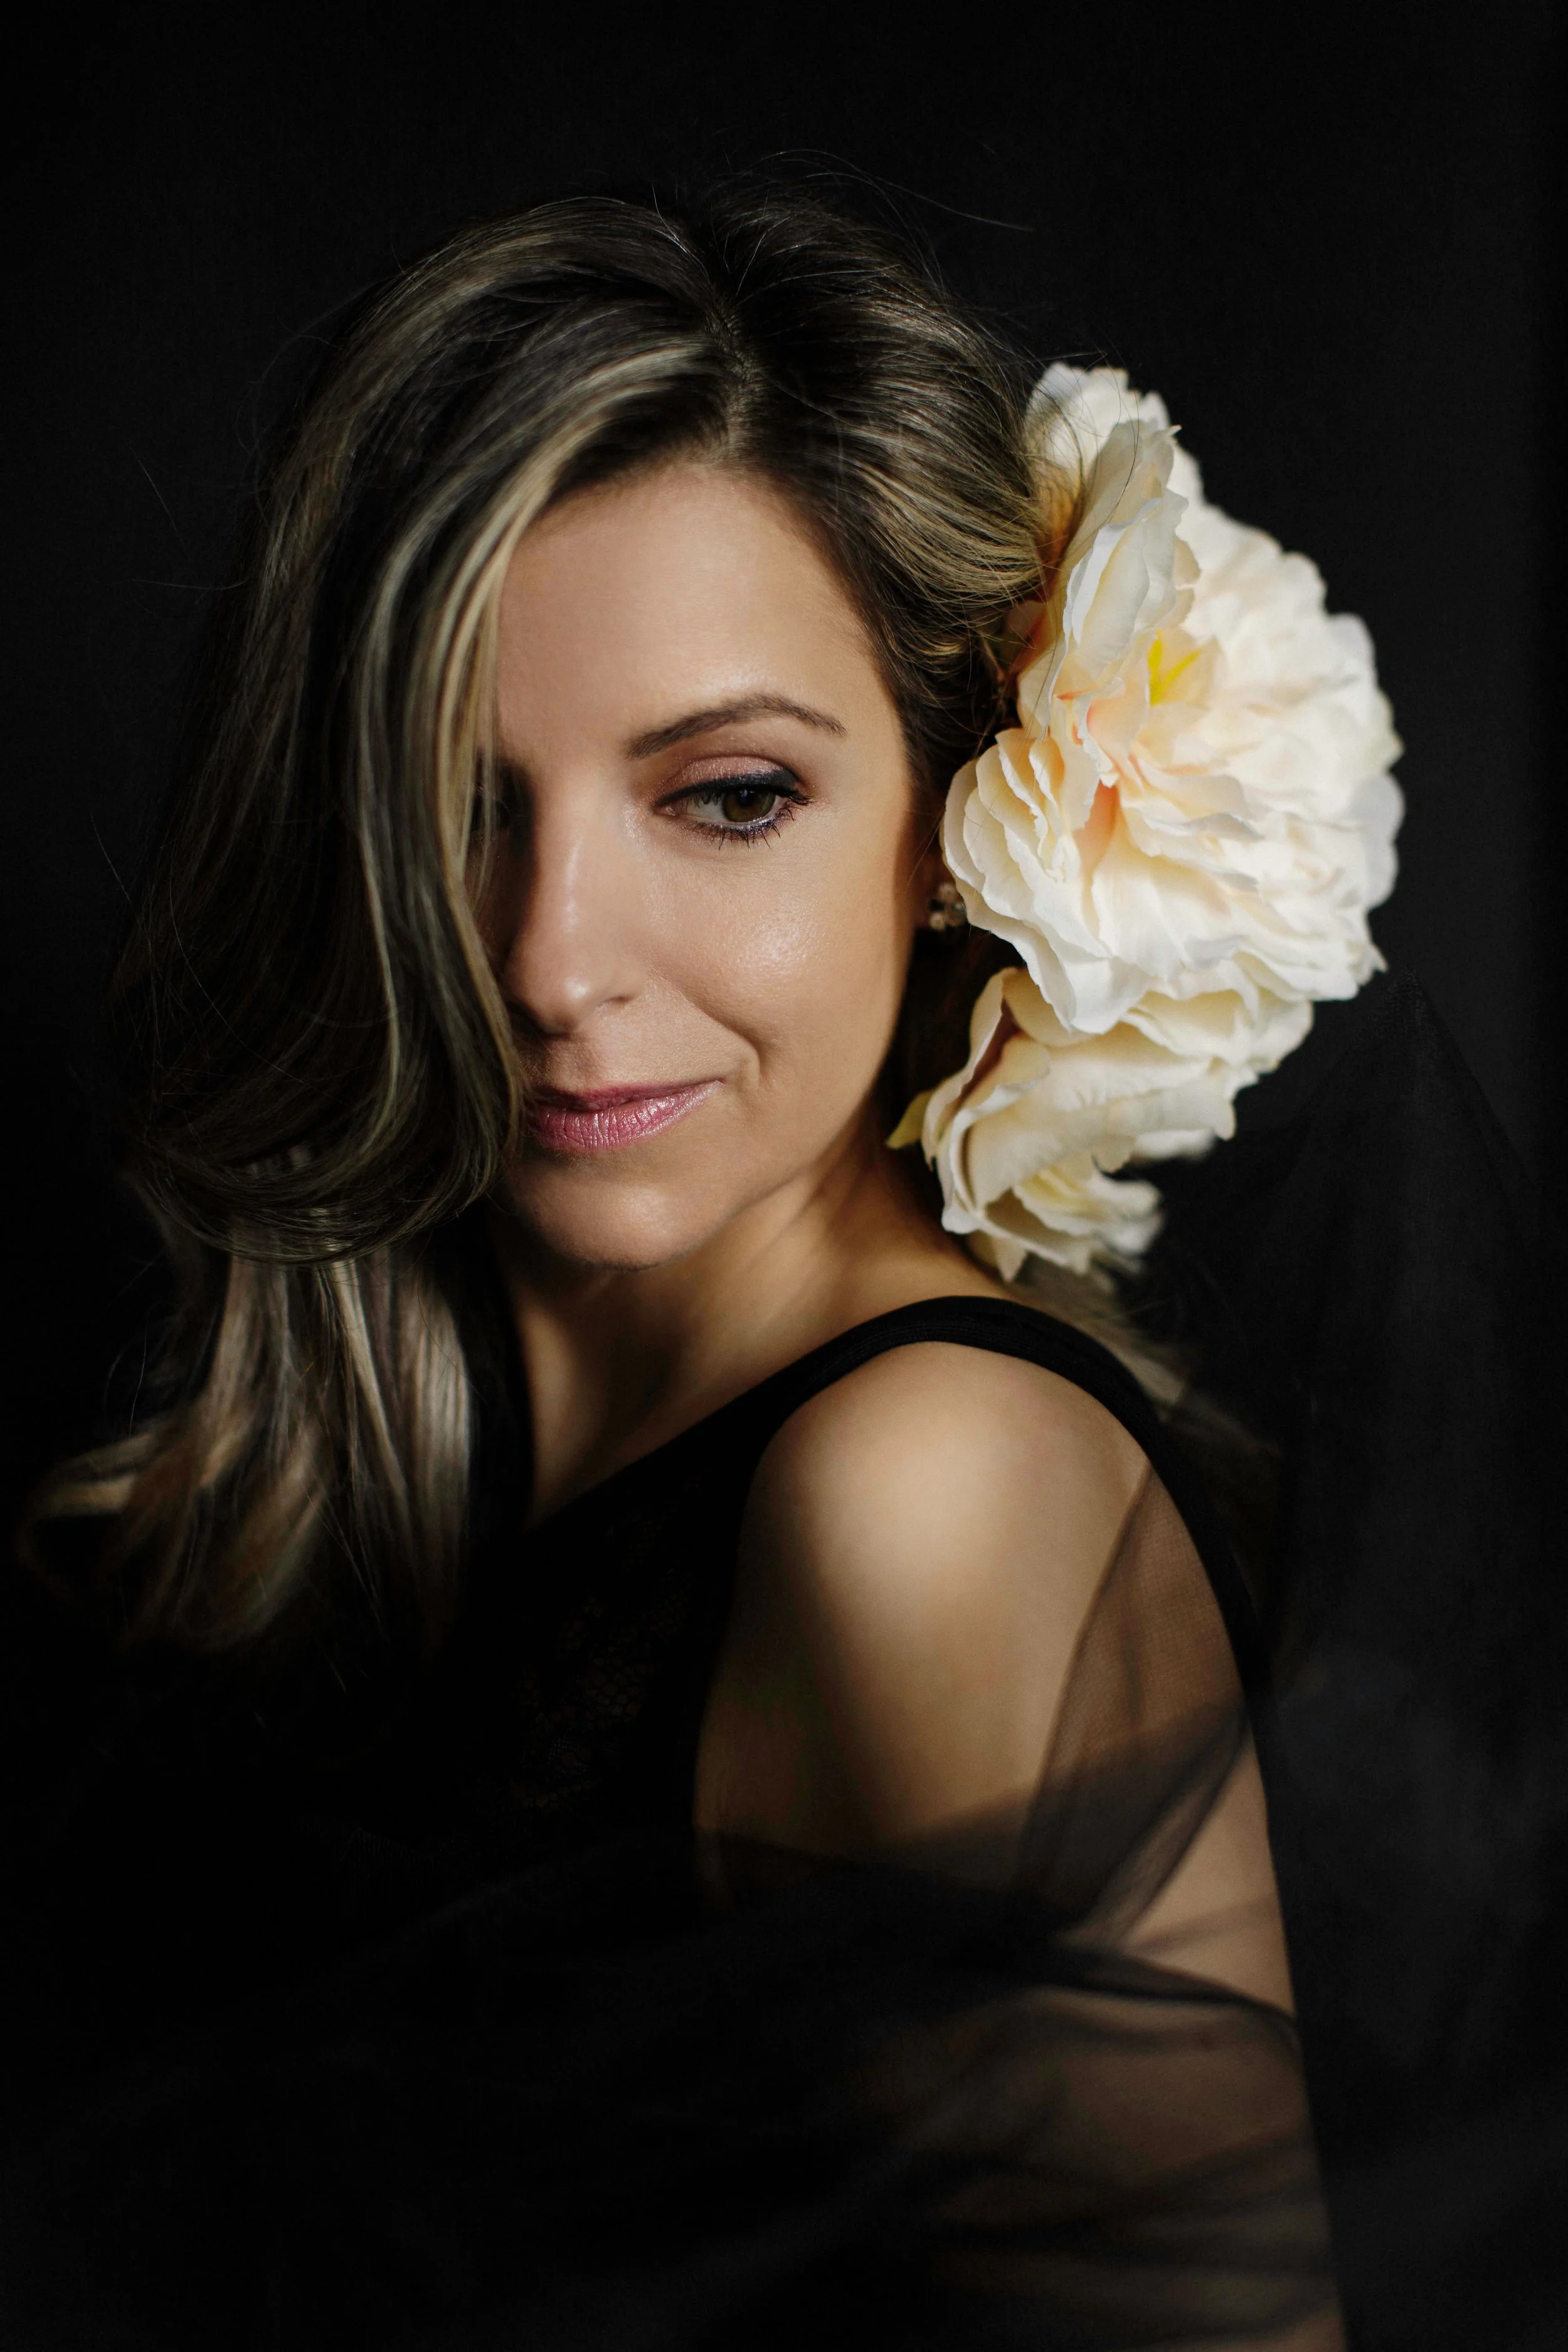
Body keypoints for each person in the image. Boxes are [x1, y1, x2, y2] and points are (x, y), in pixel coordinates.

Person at [3, 189, 1559, 2352]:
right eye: (454, 803)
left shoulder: (921, 1491)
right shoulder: (377, 1485)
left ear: (959, 822)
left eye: (725, 798)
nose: (551, 963)